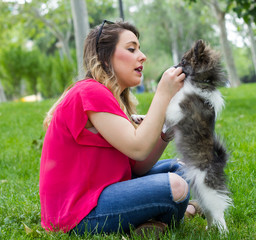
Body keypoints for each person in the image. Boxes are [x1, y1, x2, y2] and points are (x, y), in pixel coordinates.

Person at [39, 20, 197, 236]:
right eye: (131, 49)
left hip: (105, 192)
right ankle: (178, 213)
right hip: (78, 214)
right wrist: (163, 93)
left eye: (139, 49)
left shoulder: (110, 98)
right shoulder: (91, 92)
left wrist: (166, 129)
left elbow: (137, 166)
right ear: (105, 58)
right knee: (176, 186)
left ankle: (154, 221)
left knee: (185, 169)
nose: (142, 56)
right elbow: (138, 148)